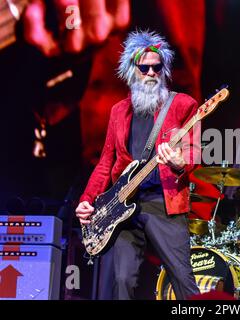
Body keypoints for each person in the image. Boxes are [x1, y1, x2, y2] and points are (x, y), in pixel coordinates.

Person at [75, 30, 200, 300]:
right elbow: (106, 161)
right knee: (122, 280)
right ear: (133, 71)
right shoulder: (118, 111)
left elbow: (193, 152)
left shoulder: (182, 105)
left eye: (158, 67)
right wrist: (87, 199)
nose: (152, 73)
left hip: (163, 201)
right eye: (145, 67)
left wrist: (180, 162)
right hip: (122, 206)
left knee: (182, 277)